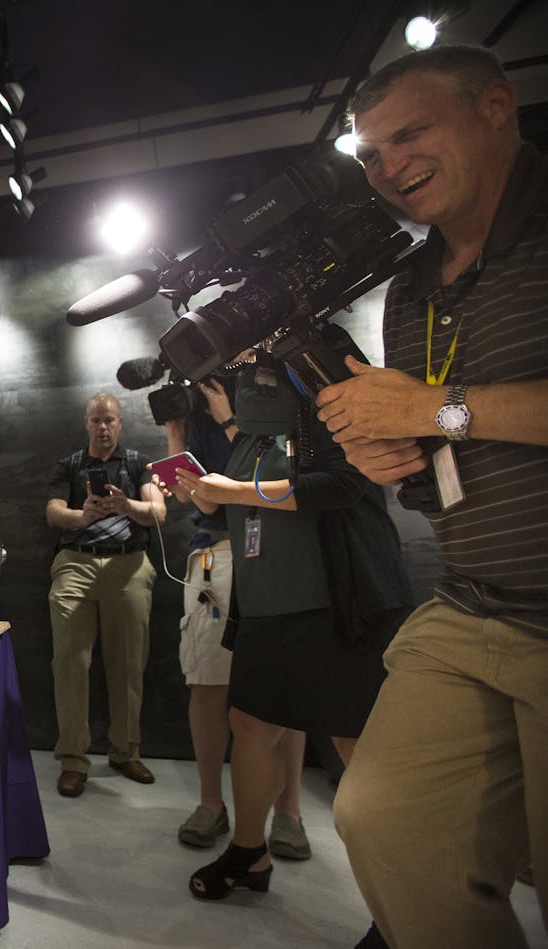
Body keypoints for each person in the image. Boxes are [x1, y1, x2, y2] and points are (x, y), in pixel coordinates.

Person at [316, 44, 548, 946]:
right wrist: (396, 457)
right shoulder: (411, 284)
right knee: (385, 819)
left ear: (497, 106)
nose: (388, 167)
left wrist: (431, 409)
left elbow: (446, 411)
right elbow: (439, 460)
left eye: (410, 133)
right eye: (369, 154)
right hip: (470, 602)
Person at [165, 360, 410, 904]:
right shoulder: (249, 438)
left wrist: (233, 493)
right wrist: (208, 495)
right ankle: (250, 851)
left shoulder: (330, 415)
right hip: (267, 606)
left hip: (338, 606)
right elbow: (236, 504)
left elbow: (340, 485)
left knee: (354, 740)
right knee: (250, 724)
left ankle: (404, 894)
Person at [162, 381, 311, 859]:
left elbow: (276, 472)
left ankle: (289, 811)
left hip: (275, 549)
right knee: (206, 683)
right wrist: (175, 434)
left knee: (286, 690)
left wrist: (229, 417)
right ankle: (211, 803)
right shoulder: (194, 419)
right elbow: (202, 503)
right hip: (216, 554)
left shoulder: (277, 400)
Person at [44, 393, 166, 797]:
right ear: (86, 422)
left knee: (129, 661)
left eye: (110, 420)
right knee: (69, 663)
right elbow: (53, 512)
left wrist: (125, 504)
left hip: (129, 565)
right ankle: (74, 760)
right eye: (96, 420)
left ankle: (125, 751)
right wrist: (84, 515)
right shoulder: (71, 464)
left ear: (120, 422)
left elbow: (158, 512)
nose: (103, 427)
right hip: (76, 562)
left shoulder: (137, 463)